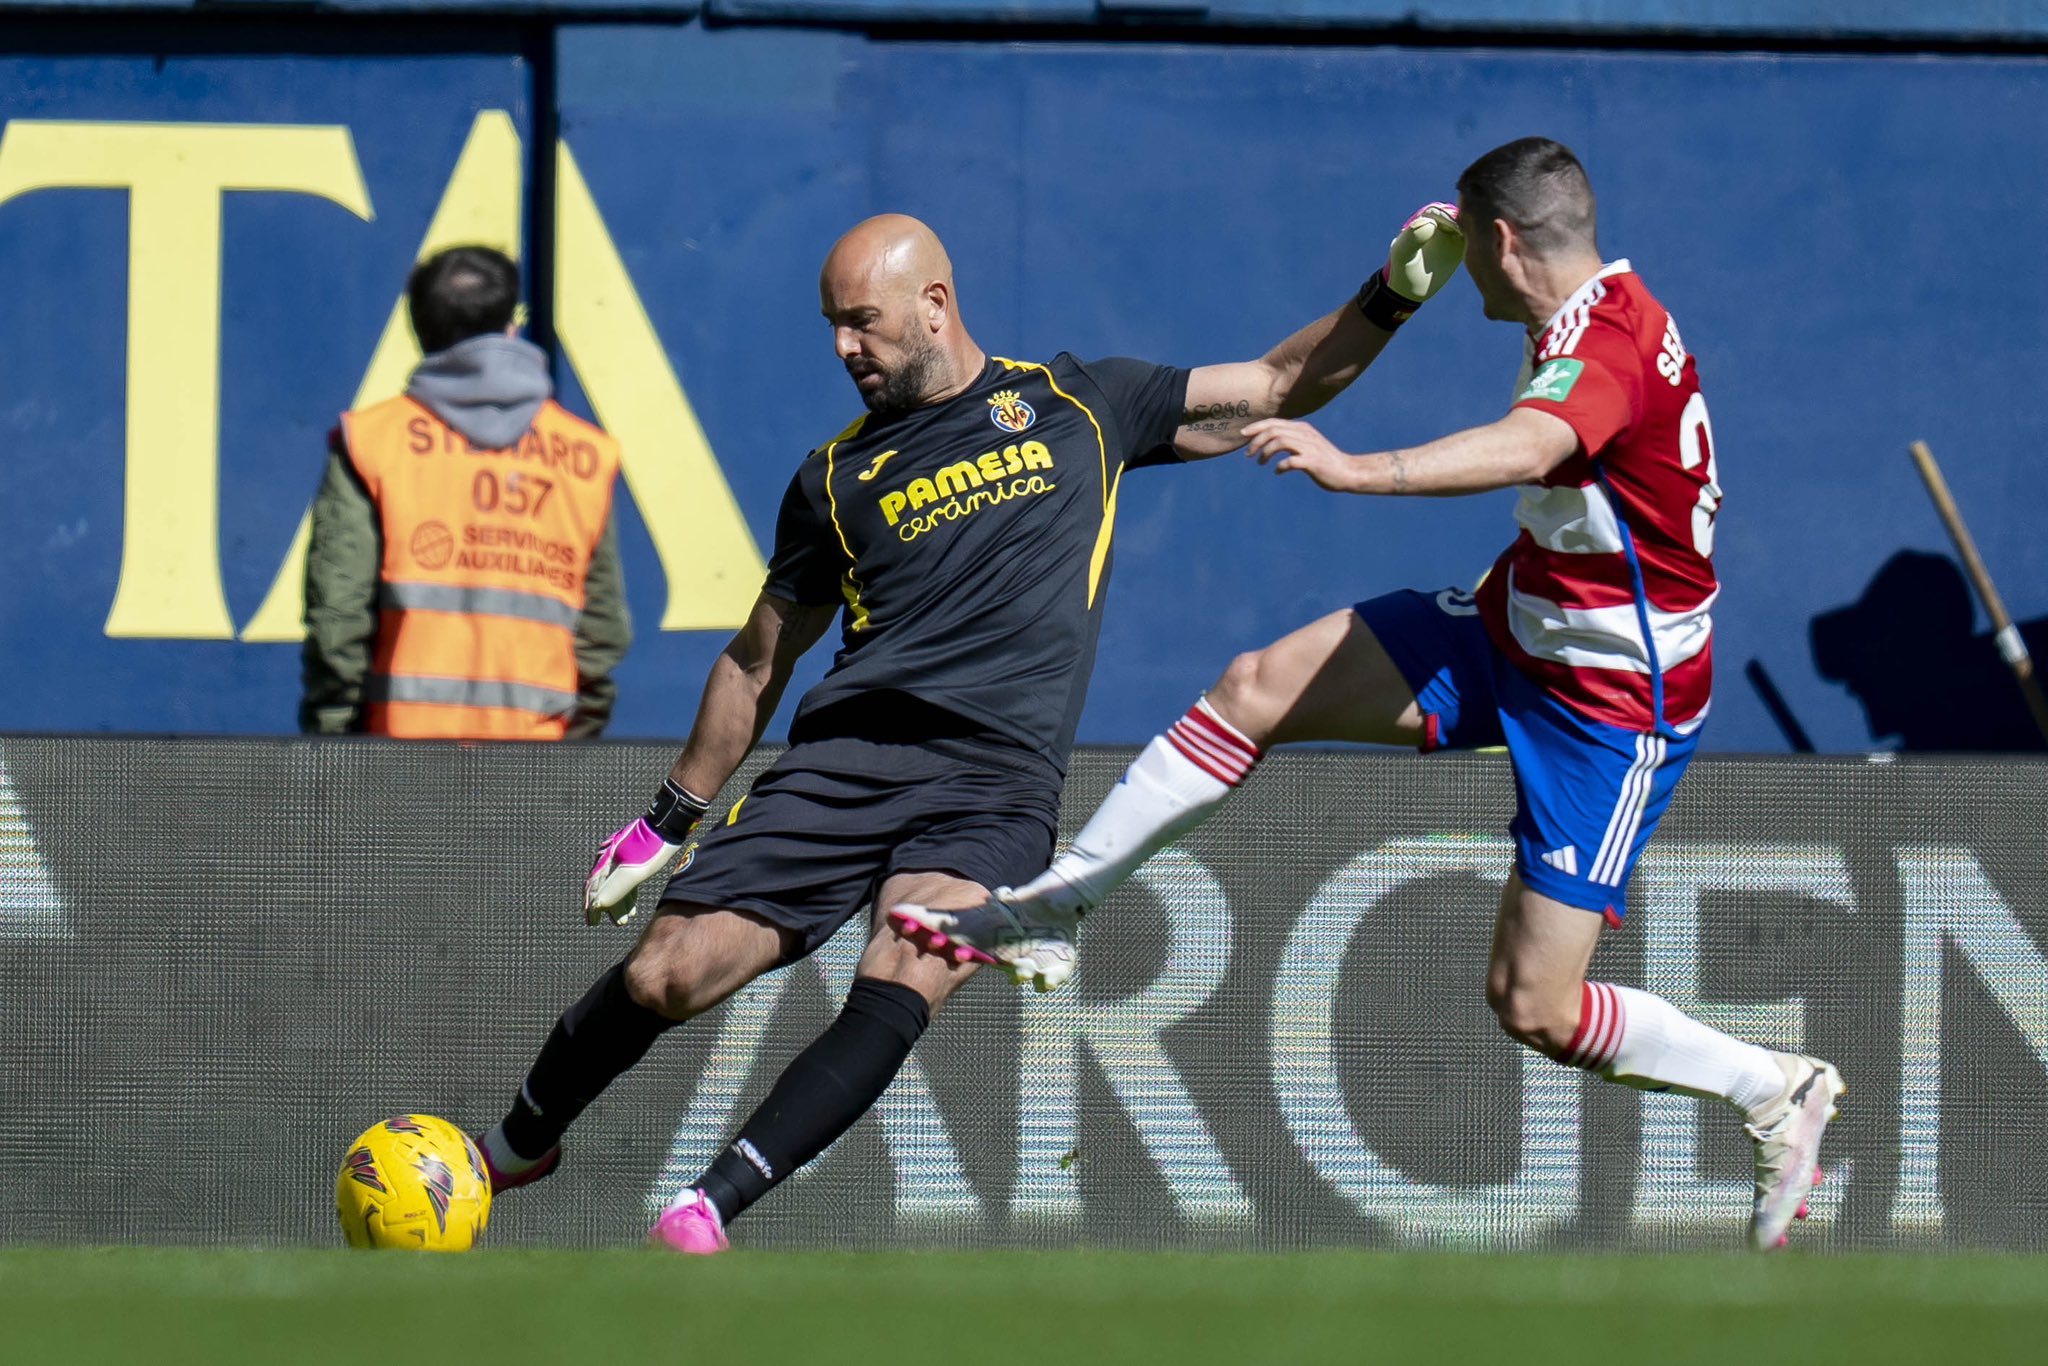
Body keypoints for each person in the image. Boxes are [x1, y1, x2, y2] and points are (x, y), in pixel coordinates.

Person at [892, 138, 1843, 1253]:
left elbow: (1530, 442)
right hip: (1515, 630)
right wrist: (1397, 283)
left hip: (1609, 702)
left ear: (1501, 243)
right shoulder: (1592, 306)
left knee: (1534, 1003)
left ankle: (1772, 1087)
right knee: (1255, 688)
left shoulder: (1607, 342)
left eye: (1476, 258)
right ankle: (1057, 904)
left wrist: (1359, 468)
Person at [473, 207, 1466, 1251]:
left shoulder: (1084, 404)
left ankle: (706, 1206)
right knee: (663, 972)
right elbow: (757, 659)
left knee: (912, 955)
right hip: (840, 765)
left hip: (990, 782)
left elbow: (1277, 384)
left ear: (934, 304)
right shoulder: (833, 479)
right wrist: (666, 819)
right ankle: (516, 1143)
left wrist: (1391, 291)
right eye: (830, 325)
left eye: (861, 321)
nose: (841, 347)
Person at [301, 245, 630, 740]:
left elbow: (338, 617)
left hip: (394, 758)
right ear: (510, 327)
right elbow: (601, 633)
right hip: (539, 761)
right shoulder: (585, 454)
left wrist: (336, 745)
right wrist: (575, 746)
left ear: (420, 331)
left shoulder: (372, 441)